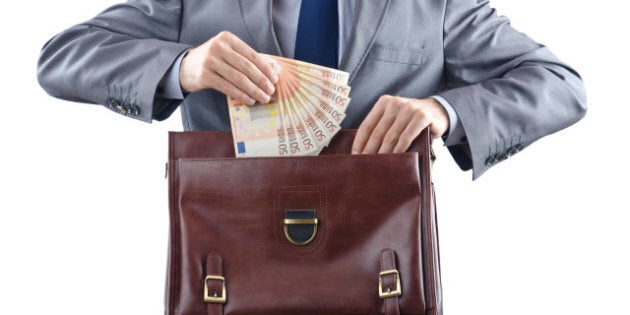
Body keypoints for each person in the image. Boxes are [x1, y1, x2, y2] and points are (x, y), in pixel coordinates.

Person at [37, 0, 586, 179]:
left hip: (381, 262)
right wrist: (184, 65)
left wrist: (442, 111)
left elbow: (561, 85)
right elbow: (61, 56)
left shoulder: (435, 4)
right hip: (227, 259)